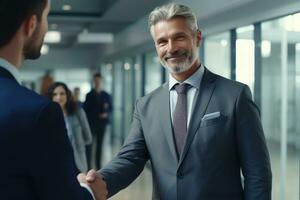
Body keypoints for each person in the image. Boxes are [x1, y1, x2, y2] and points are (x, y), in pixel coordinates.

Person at [83, 3, 272, 200]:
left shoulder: (235, 95)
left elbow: (258, 172)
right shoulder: (146, 105)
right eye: (162, 41)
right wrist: (103, 180)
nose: (171, 48)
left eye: (179, 37)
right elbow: (130, 158)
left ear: (197, 37)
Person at [0, 0, 106, 199]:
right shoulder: (38, 113)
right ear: (30, 25)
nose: (46, 27)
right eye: (46, 17)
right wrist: (91, 193)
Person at [47, 82, 93, 172]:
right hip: (55, 163)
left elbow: (88, 138)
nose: (59, 97)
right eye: (55, 94)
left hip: (77, 163)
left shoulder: (78, 112)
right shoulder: (48, 116)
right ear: (51, 97)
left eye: (62, 94)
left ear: (67, 95)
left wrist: (77, 144)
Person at [84, 73, 112, 169]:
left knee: (99, 146)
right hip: (92, 123)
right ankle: (88, 167)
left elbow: (110, 108)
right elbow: (86, 110)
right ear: (93, 82)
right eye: (96, 81)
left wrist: (106, 113)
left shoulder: (106, 95)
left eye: (99, 81)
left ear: (101, 81)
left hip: (102, 124)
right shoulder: (89, 95)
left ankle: (98, 167)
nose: (97, 83)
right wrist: (97, 114)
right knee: (90, 146)